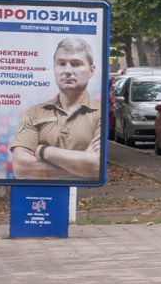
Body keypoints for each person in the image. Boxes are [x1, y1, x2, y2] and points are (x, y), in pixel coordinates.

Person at [9, 37, 101, 180]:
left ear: (91, 70)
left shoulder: (100, 113)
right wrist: (83, 164)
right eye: (61, 64)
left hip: (88, 195)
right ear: (54, 68)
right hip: (41, 194)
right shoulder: (35, 113)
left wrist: (43, 151)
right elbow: (21, 168)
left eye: (76, 64)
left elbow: (97, 167)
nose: (67, 71)